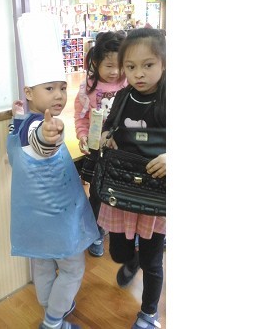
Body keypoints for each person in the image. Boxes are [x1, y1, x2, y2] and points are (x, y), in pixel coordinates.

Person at [8, 12, 99, 329]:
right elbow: (42, 143)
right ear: (29, 92)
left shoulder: (22, 123)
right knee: (72, 268)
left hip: (32, 220)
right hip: (57, 221)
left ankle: (52, 305)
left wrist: (18, 119)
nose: (59, 95)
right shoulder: (41, 128)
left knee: (44, 266)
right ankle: (53, 321)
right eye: (49, 88)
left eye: (62, 87)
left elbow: (20, 143)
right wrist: (51, 137)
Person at [97, 28, 166, 329]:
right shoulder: (124, 96)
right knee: (118, 253)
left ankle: (149, 313)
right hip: (122, 189)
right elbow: (109, 128)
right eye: (131, 66)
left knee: (153, 261)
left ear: (164, 63)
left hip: (156, 195)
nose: (139, 74)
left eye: (148, 65)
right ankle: (132, 258)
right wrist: (105, 137)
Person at [74, 31, 127, 257]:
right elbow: (80, 117)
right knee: (97, 193)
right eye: (109, 66)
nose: (115, 71)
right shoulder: (88, 89)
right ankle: (96, 232)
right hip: (98, 150)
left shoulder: (129, 84)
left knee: (122, 192)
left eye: (120, 65)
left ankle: (124, 232)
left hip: (123, 150)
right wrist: (82, 136)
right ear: (96, 62)